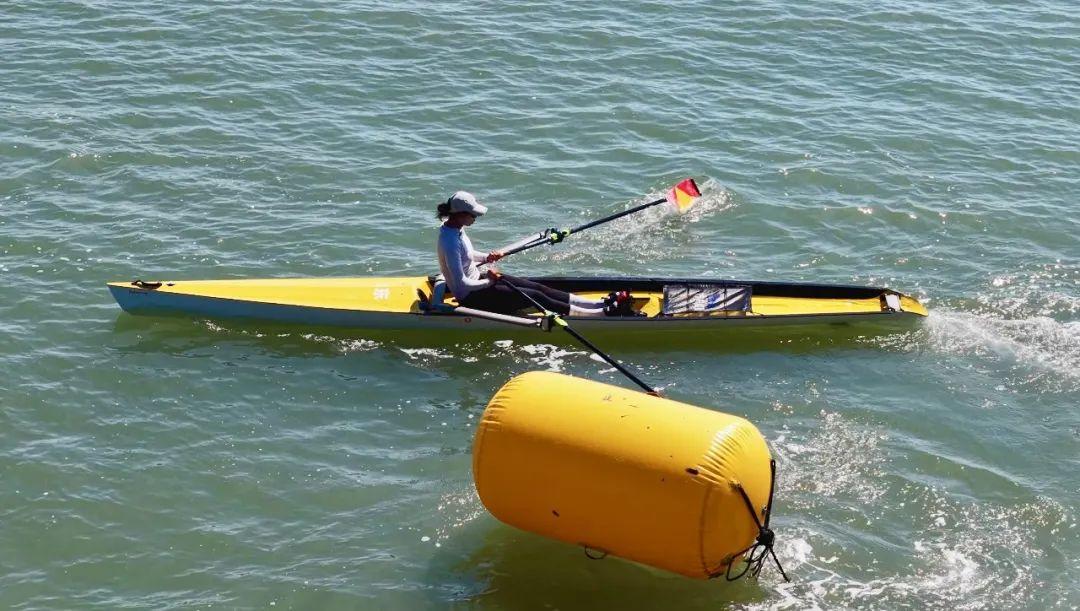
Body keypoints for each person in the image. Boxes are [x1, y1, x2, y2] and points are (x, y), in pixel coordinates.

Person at [435, 191, 632, 317]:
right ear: (460, 214)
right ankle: (600, 315)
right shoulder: (450, 241)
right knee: (537, 297)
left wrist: (486, 257)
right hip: (472, 296)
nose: (476, 218)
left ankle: (597, 304)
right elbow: (461, 283)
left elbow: (467, 255)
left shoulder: (454, 228)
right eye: (473, 215)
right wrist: (490, 282)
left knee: (539, 288)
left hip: (480, 281)